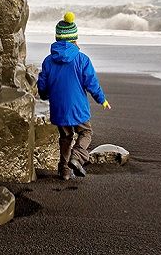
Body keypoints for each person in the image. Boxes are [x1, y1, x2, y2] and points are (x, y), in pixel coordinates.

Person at [37, 12, 111, 181]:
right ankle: (77, 157)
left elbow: (42, 84)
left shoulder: (48, 61)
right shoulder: (82, 59)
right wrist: (102, 99)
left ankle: (64, 171)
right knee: (86, 132)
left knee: (65, 137)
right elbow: (91, 83)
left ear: (57, 38)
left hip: (59, 108)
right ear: (74, 38)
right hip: (78, 108)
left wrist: (44, 94)